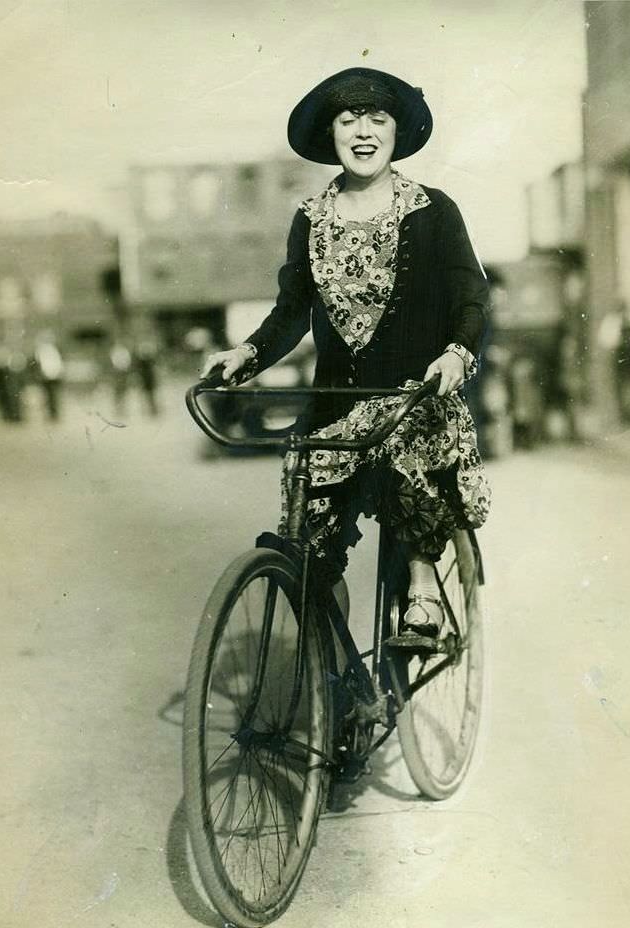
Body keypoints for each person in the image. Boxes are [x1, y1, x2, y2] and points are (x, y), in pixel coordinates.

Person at [203, 68, 491, 644]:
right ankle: (332, 680)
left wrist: (457, 353)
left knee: (408, 461)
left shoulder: (432, 211)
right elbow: (290, 313)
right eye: (348, 119)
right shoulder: (309, 219)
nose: (364, 132)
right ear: (331, 134)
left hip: (416, 399)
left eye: (377, 119)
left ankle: (423, 589)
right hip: (336, 408)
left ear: (395, 132)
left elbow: (470, 296)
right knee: (309, 543)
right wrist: (247, 353)